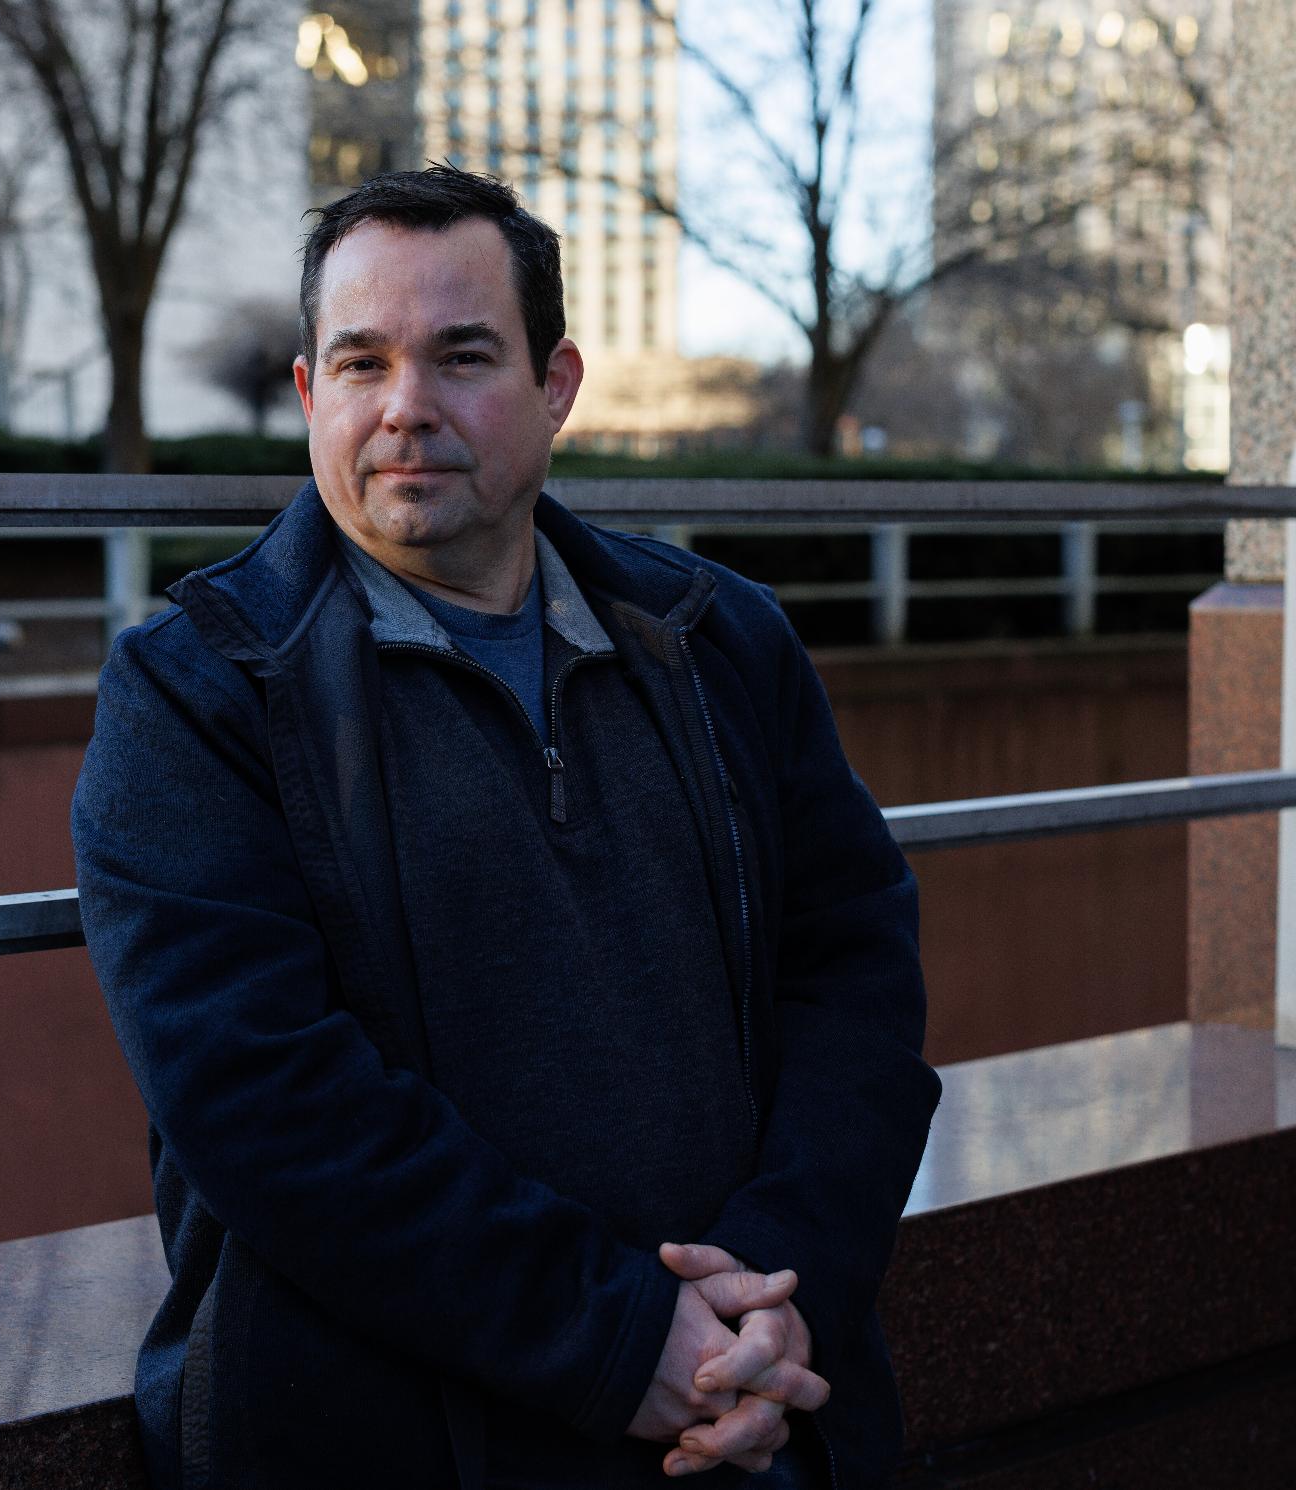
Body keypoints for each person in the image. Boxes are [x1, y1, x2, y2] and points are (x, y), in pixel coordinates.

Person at [71, 165, 940, 1490]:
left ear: (555, 386)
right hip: (391, 1446)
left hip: (740, 1426)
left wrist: (776, 1287)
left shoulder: (720, 639)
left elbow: (856, 975)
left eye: (461, 356)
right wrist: (614, 1335)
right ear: (309, 396)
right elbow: (262, 1103)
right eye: (359, 362)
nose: (406, 406)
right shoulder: (197, 692)